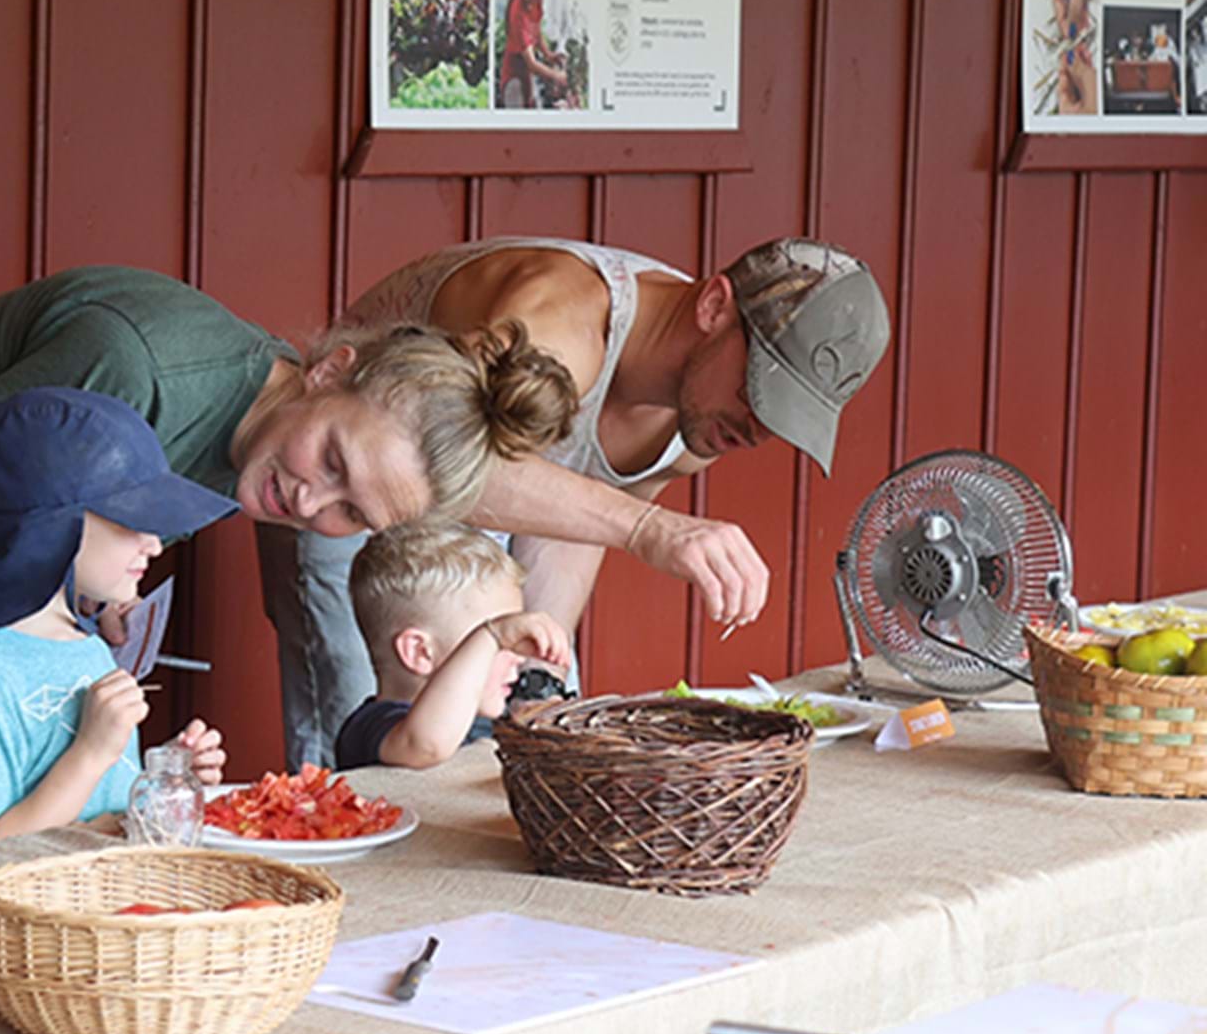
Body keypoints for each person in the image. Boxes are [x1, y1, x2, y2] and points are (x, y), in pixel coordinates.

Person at [0, 264, 613, 864]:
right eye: (332, 462)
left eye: (353, 513)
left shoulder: (265, 449)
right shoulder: (142, 365)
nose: (313, 505)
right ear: (331, 369)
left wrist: (84, 599)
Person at [258, 237, 891, 771]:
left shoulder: (707, 416)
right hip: (343, 479)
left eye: (783, 416)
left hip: (477, 521)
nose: (757, 429)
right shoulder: (559, 318)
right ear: (715, 305)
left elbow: (577, 525)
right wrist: (651, 527)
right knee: (366, 749)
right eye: (760, 390)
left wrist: (539, 678)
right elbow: (444, 466)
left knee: (529, 732)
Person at [0, 389, 231, 845]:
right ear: (52, 528)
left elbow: (99, 814)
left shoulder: (89, 649)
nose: (153, 544)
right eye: (133, 520)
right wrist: (91, 752)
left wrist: (166, 777)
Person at [337, 519, 574, 770]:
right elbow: (427, 746)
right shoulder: (374, 727)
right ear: (420, 653)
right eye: (499, 645)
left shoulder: (483, 722)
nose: (518, 658)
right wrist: (490, 636)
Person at [500, 0, 570, 109]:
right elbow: (531, 63)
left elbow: (536, 30)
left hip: (526, 73)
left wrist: (548, 55)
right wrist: (556, 76)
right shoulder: (517, 10)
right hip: (514, 75)